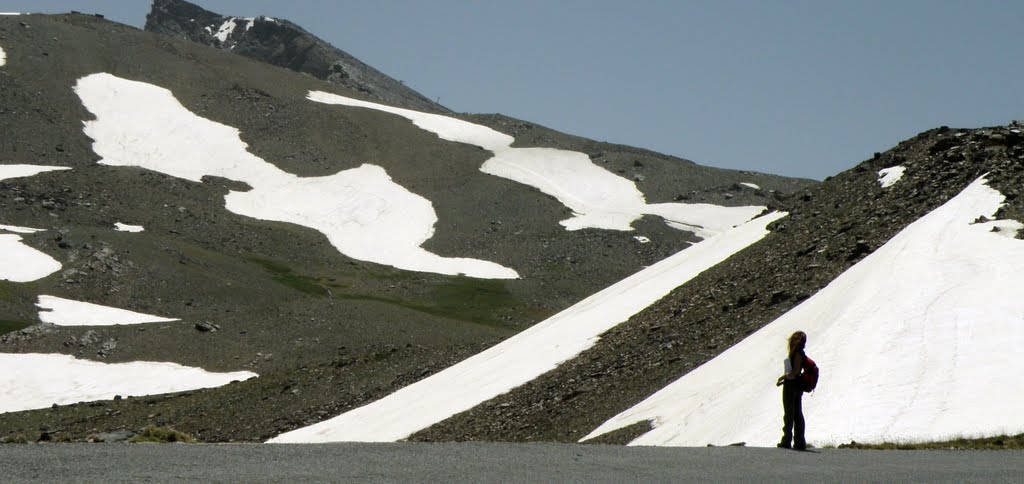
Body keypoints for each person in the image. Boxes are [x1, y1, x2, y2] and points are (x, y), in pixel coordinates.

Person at [776, 330, 807, 450]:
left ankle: (787, 440)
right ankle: (799, 441)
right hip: (796, 386)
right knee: (797, 413)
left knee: (790, 413)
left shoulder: (797, 353)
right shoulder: (800, 353)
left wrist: (784, 377)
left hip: (791, 386)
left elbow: (795, 372)